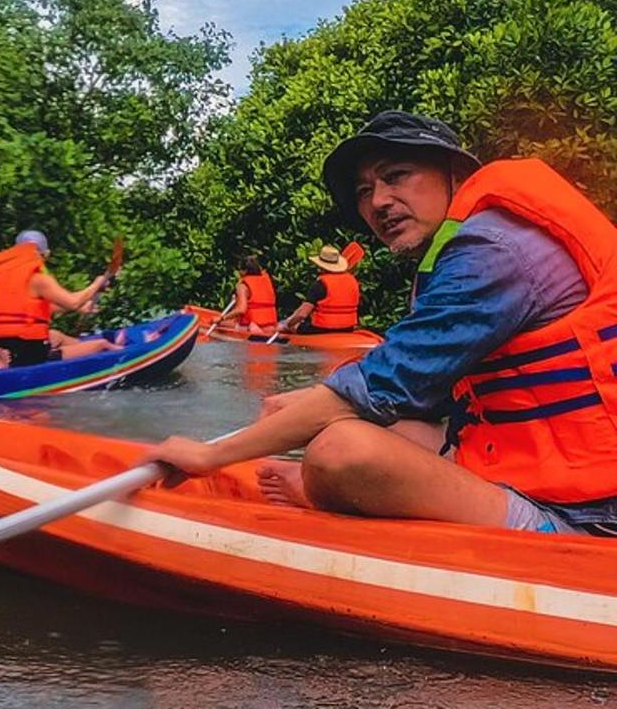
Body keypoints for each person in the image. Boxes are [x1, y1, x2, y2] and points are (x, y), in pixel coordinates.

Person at [146, 110, 617, 536]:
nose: (379, 202)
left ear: (454, 174)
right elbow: (424, 395)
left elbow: (380, 385)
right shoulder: (478, 241)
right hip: (533, 465)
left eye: (397, 177)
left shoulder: (493, 252)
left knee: (339, 450)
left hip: (590, 516)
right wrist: (314, 400)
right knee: (383, 426)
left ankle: (319, 491)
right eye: (365, 191)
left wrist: (209, 456)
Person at [0, 230, 125, 367]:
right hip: (27, 352)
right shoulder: (39, 279)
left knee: (55, 335)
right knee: (102, 345)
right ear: (45, 254)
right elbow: (73, 302)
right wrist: (98, 283)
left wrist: (84, 304)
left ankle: (81, 346)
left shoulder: (1, 276)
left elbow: (40, 309)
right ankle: (117, 350)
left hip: (2, 344)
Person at [277, 245, 360, 334]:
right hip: (347, 328)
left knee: (290, 325)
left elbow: (302, 314)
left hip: (321, 329)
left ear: (321, 266)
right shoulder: (353, 281)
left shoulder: (320, 284)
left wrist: (288, 324)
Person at [215, 255, 278, 334]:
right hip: (271, 327)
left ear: (245, 271)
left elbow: (241, 309)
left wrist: (222, 318)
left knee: (217, 323)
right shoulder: (265, 281)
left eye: (239, 269)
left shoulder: (243, 286)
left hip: (252, 327)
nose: (238, 272)